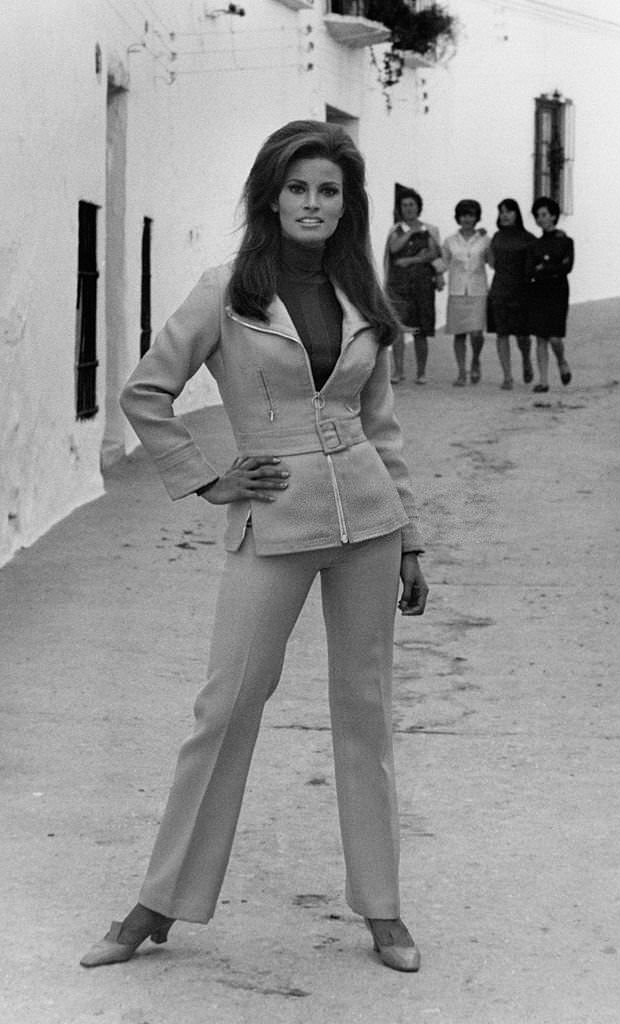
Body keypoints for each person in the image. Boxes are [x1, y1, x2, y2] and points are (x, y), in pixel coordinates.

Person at [80, 121, 428, 975]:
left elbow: (380, 427)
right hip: (270, 524)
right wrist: (210, 479)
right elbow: (145, 391)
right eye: (300, 188)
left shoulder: (362, 296)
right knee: (227, 704)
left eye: (330, 191)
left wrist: (412, 539)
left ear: (347, 206)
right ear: (272, 195)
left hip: (369, 528)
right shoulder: (225, 290)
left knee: (366, 710)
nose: (314, 204)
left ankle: (382, 909)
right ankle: (156, 903)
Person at [384, 188, 444, 385]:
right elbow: (394, 249)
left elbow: (435, 254)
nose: (408, 208)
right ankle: (398, 371)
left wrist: (411, 260)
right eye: (404, 205)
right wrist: (411, 234)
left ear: (418, 206)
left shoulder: (431, 230)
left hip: (422, 286)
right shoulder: (397, 230)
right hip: (399, 286)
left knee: (420, 330)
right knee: (399, 329)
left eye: (411, 205)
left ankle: (421, 372)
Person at [440, 199, 490, 386]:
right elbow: (443, 263)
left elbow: (491, 261)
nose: (467, 219)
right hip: (457, 290)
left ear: (476, 217)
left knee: (476, 333)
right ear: (458, 217)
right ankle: (462, 372)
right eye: (463, 215)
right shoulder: (450, 241)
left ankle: (475, 361)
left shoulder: (485, 239)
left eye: (470, 215)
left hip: (477, 290)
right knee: (459, 334)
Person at [487, 198, 535, 389]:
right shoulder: (496, 237)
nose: (504, 215)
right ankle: (507, 376)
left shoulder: (528, 238)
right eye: (501, 212)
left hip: (521, 289)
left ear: (517, 214)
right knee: (502, 333)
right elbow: (491, 262)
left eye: (508, 211)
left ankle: (526, 360)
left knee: (522, 335)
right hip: (500, 288)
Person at [529, 196, 574, 392]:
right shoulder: (535, 244)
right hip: (539, 291)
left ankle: (562, 361)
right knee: (540, 337)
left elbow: (567, 266)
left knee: (555, 337)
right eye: (538, 216)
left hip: (558, 291)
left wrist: (544, 266)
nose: (540, 219)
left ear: (553, 216)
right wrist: (550, 267)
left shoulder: (566, 241)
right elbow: (531, 269)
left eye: (544, 214)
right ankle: (543, 380)